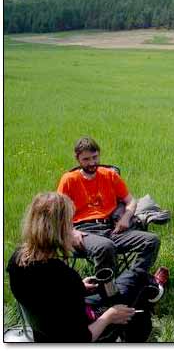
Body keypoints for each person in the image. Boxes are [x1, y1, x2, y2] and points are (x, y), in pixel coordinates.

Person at [7, 192, 136, 342]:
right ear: (60, 229)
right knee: (133, 292)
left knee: (131, 279)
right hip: (70, 338)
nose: (73, 227)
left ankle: (150, 284)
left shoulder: (17, 259)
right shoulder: (64, 276)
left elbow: (46, 297)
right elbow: (81, 338)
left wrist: (79, 286)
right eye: (70, 223)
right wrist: (109, 316)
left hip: (44, 334)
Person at [57, 137, 161, 277]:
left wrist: (125, 218)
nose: (92, 163)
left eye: (95, 157)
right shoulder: (69, 179)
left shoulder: (110, 175)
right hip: (83, 233)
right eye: (86, 159)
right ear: (78, 159)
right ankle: (108, 291)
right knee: (105, 246)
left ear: (99, 154)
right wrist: (71, 232)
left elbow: (131, 201)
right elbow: (57, 214)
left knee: (152, 240)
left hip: (111, 229)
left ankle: (131, 280)